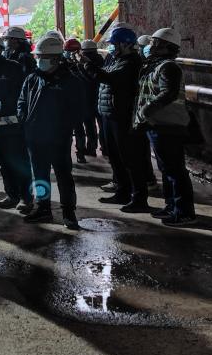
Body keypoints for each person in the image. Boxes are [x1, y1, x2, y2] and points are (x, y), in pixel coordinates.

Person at [19, 36, 87, 227]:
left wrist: (63, 128)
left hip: (59, 138)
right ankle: (43, 209)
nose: (39, 59)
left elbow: (78, 110)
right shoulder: (32, 78)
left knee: (63, 175)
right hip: (35, 137)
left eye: (43, 56)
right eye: (38, 56)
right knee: (40, 175)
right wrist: (24, 120)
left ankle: (68, 213)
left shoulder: (71, 81)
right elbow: (22, 101)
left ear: (56, 58)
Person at [82, 26, 151, 212]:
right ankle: (122, 192)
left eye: (115, 44)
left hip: (123, 116)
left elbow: (109, 78)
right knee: (115, 157)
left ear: (126, 44)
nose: (112, 47)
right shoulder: (116, 60)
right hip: (109, 114)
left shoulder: (131, 63)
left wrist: (88, 65)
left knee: (129, 158)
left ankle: (139, 199)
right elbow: (102, 76)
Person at [133, 28, 197, 226]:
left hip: (169, 125)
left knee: (175, 170)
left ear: (167, 47)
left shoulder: (169, 67)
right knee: (166, 169)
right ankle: (171, 206)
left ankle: (184, 212)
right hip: (158, 124)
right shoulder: (155, 65)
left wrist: (146, 111)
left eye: (155, 43)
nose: (151, 46)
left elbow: (168, 93)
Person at [0, 32, 33, 214]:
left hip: (13, 123)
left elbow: (17, 93)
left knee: (19, 161)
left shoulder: (12, 67)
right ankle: (12, 195)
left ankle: (26, 198)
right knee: (4, 163)